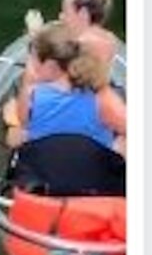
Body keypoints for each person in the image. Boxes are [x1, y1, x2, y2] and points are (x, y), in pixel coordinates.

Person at [7, 22, 125, 197]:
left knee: (19, 135)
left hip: (44, 189)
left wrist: (29, 80)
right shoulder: (103, 97)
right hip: (94, 191)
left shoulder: (32, 95)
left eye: (33, 60)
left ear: (50, 65)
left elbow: (23, 123)